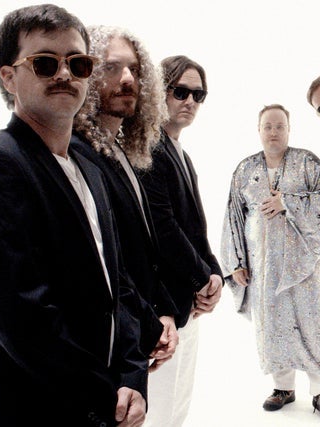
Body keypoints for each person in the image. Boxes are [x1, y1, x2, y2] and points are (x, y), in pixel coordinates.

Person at [0, 5, 148, 426]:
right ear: (8, 77)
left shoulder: (89, 168)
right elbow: (25, 318)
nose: (64, 74)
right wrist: (106, 394)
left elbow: (118, 286)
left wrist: (133, 377)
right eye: (45, 63)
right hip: (33, 409)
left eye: (78, 63)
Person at [221, 104, 320, 421]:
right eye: (268, 126)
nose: (273, 132)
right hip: (262, 265)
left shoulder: (309, 163)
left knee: (309, 323)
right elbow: (233, 215)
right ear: (259, 130)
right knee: (272, 324)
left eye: (279, 126)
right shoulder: (245, 169)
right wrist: (237, 261)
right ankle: (283, 387)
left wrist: (286, 202)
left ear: (289, 129)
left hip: (304, 265)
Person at [72, 26, 179, 369]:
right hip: (113, 343)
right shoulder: (77, 153)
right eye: (111, 67)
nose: (128, 78)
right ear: (86, 73)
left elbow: (141, 248)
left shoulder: (119, 150)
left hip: (139, 331)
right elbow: (105, 267)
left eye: (134, 68)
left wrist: (162, 311)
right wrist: (144, 330)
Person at [138, 55, 222, 427]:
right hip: (163, 306)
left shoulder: (180, 153)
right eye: (181, 91)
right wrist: (203, 279)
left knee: (177, 409)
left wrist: (214, 276)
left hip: (187, 302)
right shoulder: (147, 147)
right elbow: (162, 227)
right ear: (158, 92)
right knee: (159, 411)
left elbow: (195, 229)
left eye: (198, 95)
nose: (190, 101)